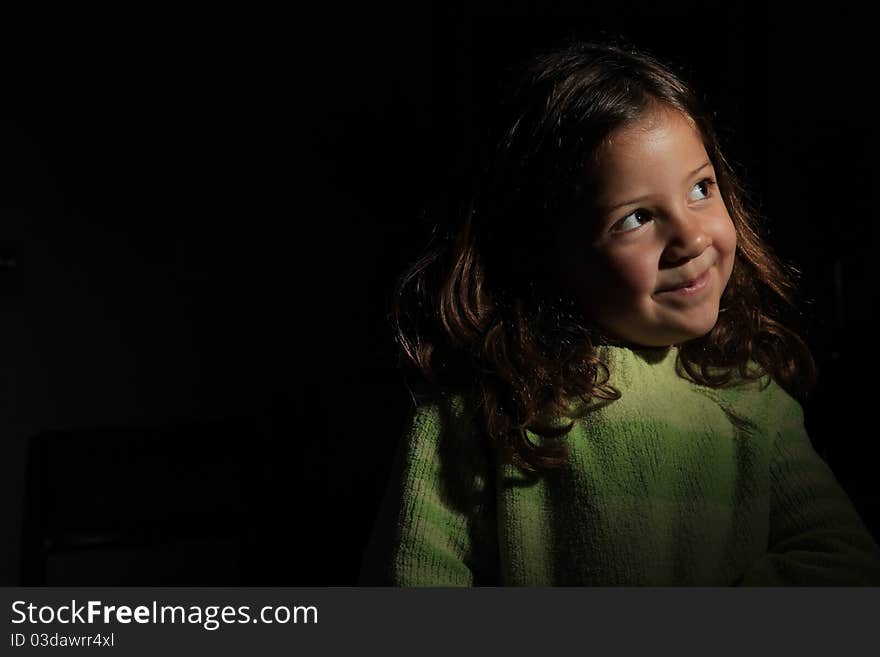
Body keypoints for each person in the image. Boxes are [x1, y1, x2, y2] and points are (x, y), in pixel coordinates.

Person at [359, 40, 880, 585]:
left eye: (702, 188)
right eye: (635, 218)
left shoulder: (752, 401)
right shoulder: (481, 409)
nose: (692, 236)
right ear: (542, 253)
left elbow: (842, 565)